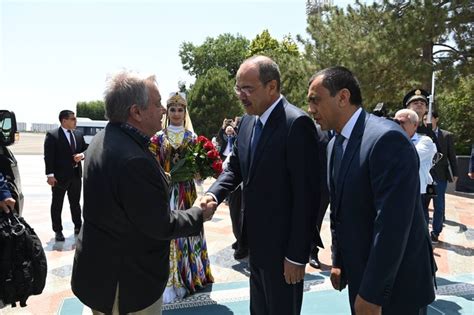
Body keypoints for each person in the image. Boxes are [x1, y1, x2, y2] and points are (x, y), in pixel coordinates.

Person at [71, 71, 215, 315]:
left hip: (101, 275)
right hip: (126, 287)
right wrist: (198, 214)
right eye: (158, 104)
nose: (163, 111)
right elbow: (160, 225)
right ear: (136, 112)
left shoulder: (104, 138)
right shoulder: (133, 159)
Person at [307, 66, 435, 314]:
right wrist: (338, 260)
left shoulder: (387, 139)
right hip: (361, 274)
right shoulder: (335, 144)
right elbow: (339, 211)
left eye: (316, 100)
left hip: (396, 286)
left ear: (343, 97)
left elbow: (393, 225)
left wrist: (373, 294)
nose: (311, 109)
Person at [201, 55, 322, 315]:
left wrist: (296, 255)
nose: (241, 95)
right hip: (254, 245)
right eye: (238, 88)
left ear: (272, 87)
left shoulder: (296, 124)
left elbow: (307, 196)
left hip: (283, 251)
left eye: (248, 88)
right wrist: (214, 194)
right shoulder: (246, 122)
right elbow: (235, 169)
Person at [149, 92, 213, 304]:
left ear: (185, 112)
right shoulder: (158, 138)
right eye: (173, 109)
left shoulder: (193, 138)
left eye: (181, 110)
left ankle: (189, 275)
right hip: (164, 192)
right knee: (167, 231)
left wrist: (199, 173)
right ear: (168, 112)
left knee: (187, 231)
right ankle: (167, 279)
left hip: (186, 193)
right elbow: (151, 164)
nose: (177, 113)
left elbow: (199, 169)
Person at [44, 110, 87, 242]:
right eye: (73, 119)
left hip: (75, 176)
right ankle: (58, 230)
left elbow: (86, 148)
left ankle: (78, 227)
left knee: (75, 203)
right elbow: (48, 157)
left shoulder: (78, 135)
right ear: (64, 121)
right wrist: (50, 175)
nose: (75, 121)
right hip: (59, 177)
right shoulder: (53, 135)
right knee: (57, 204)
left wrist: (82, 155)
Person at [395, 109, 437, 225]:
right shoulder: (392, 140)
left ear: (415, 125)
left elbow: (408, 158)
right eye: (396, 122)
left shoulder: (425, 141)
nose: (398, 125)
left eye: (402, 122)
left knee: (418, 229)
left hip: (417, 193)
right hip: (397, 190)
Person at [423, 111, 458, 242]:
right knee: (423, 205)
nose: (426, 121)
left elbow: (452, 156)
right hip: (425, 176)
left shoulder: (446, 135)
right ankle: (423, 230)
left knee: (439, 206)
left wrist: (455, 173)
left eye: (429, 118)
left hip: (440, 176)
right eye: (424, 119)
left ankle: (435, 232)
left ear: (436, 119)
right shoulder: (421, 134)